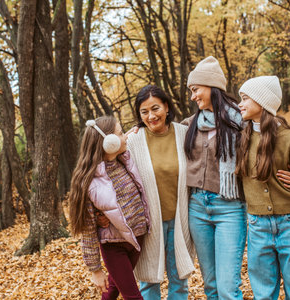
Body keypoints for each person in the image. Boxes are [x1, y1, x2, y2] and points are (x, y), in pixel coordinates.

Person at [236, 76, 290, 300]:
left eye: (245, 98)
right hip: (257, 227)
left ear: (262, 101)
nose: (240, 104)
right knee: (263, 294)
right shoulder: (243, 138)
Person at [183, 56, 247, 300]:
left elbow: (274, 142)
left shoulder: (241, 122)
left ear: (211, 87)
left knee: (227, 289)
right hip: (197, 208)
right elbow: (159, 134)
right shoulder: (190, 124)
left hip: (230, 208)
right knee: (210, 286)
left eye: (195, 89)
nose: (193, 96)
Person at [68, 116, 151, 300]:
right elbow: (87, 230)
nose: (125, 137)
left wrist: (128, 135)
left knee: (113, 288)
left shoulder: (124, 161)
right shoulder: (90, 182)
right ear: (109, 142)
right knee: (133, 296)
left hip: (136, 240)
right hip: (114, 246)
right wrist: (95, 269)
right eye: (120, 133)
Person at [127, 85, 196, 300]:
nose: (151, 116)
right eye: (144, 112)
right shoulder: (133, 141)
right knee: (148, 282)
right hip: (148, 223)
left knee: (179, 282)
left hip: (179, 219)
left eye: (155, 109)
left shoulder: (185, 134)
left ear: (166, 107)